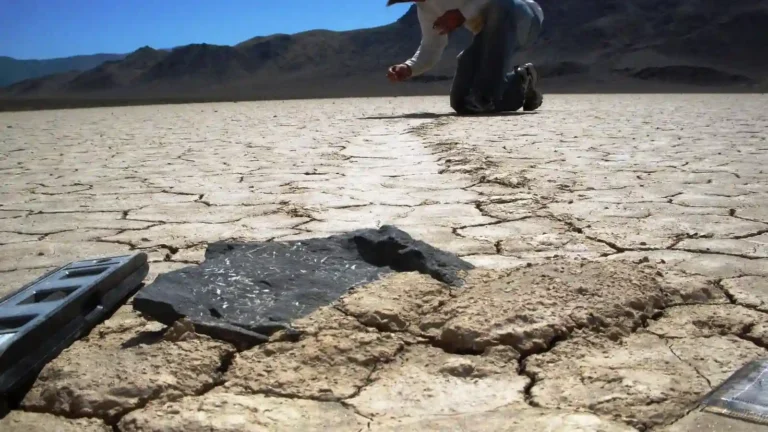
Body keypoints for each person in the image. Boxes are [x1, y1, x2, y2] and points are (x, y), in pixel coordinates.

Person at [386, 0, 544, 114]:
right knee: (463, 103)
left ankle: (487, 95)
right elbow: (431, 46)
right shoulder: (426, 10)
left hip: (523, 19)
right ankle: (521, 80)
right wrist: (409, 67)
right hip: (489, 37)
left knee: (500, 5)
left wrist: (462, 14)